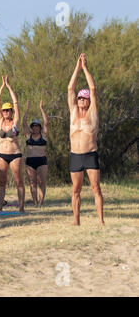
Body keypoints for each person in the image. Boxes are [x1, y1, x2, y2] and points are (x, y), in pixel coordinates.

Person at [67, 53, 104, 225]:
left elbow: (94, 89)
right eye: (80, 97)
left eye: (84, 98)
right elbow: (70, 89)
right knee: (76, 190)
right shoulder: (73, 112)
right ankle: (76, 220)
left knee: (96, 188)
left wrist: (86, 68)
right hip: (76, 155)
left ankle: (101, 220)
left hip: (90, 154)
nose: (81, 99)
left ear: (89, 101)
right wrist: (77, 67)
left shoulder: (92, 113)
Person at [0, 76, 25, 213]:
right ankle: (0, 208)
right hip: (1, 155)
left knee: (19, 181)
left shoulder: (15, 122)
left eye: (8, 110)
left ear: (11, 111)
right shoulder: (0, 121)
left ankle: (21, 208)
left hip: (15, 154)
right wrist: (2, 86)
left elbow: (16, 103)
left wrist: (9, 87)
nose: (6, 112)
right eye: (4, 110)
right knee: (1, 182)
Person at [22, 99, 49, 206]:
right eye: (33, 125)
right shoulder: (28, 135)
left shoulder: (44, 135)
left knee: (42, 182)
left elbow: (46, 122)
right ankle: (35, 202)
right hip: (30, 161)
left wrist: (41, 109)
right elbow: (23, 122)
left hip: (42, 160)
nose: (35, 127)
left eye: (37, 125)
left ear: (40, 127)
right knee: (32, 183)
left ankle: (41, 203)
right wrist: (27, 109)